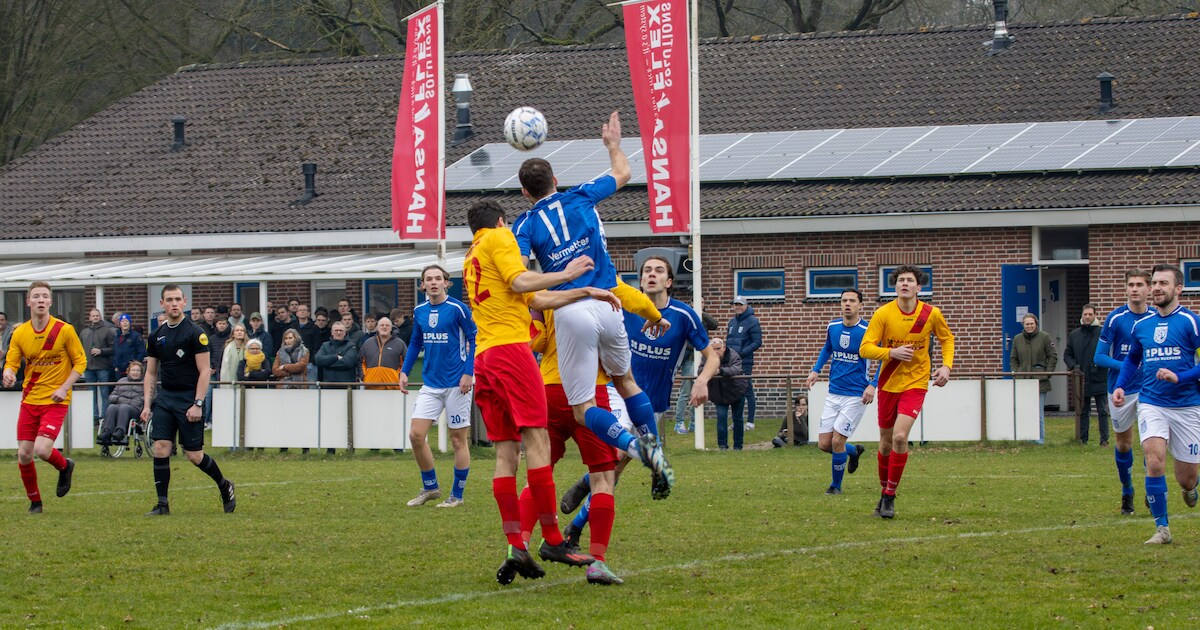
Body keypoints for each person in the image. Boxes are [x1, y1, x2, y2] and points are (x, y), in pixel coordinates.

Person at [465, 199, 642, 584]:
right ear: (499, 221)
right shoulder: (501, 236)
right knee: (547, 448)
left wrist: (583, 291)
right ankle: (555, 538)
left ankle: (517, 543)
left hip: (486, 358)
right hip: (527, 362)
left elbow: (533, 298)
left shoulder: (472, 255)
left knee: (507, 455)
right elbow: (521, 281)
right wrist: (567, 272)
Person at [511, 111, 674, 501]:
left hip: (573, 310)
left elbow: (520, 279)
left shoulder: (524, 226)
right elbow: (623, 174)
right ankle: (652, 442)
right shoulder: (582, 194)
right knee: (627, 381)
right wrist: (613, 145)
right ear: (554, 181)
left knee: (583, 409)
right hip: (611, 303)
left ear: (524, 193)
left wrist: (560, 275)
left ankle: (638, 450)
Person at [558, 256, 717, 524]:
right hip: (618, 392)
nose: (651, 274)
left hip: (652, 403)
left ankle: (576, 524)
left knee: (616, 468)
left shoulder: (684, 315)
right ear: (640, 280)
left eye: (658, 270)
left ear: (669, 281)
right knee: (615, 456)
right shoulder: (622, 306)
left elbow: (712, 356)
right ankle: (588, 497)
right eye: (646, 271)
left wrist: (702, 380)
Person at [1111, 264, 1200, 545]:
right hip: (1152, 402)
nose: (1157, 287)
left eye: (1164, 283)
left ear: (1178, 289)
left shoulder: (1190, 322)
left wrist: (1180, 376)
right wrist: (1121, 385)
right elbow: (1132, 359)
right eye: (1155, 283)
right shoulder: (1142, 325)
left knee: (1186, 479)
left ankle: (1190, 487)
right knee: (1154, 460)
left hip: (1187, 405)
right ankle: (1162, 529)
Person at [859, 265, 954, 519]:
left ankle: (890, 496)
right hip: (888, 383)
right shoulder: (883, 314)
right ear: (895, 286)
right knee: (886, 443)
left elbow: (947, 339)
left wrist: (946, 366)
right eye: (900, 280)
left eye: (909, 280)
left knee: (901, 437)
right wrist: (891, 353)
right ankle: (882, 492)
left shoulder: (931, 313)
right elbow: (865, 348)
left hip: (916, 383)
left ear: (918, 287)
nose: (904, 284)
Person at [141, 284, 235, 516]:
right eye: (168, 300)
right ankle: (162, 504)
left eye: (177, 299)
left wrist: (198, 403)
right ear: (162, 304)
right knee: (161, 448)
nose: (173, 303)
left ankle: (225, 485)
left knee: (194, 455)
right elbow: (151, 373)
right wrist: (146, 404)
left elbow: (205, 371)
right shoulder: (156, 335)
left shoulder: (196, 333)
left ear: (184, 302)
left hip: (188, 399)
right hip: (165, 398)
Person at [3, 282, 86, 513]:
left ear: (50, 302)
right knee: (24, 453)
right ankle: (35, 503)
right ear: (28, 302)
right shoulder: (20, 333)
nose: (40, 300)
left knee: (41, 449)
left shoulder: (64, 330)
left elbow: (81, 362)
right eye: (36, 296)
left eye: (45, 296)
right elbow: (11, 363)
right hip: (30, 399)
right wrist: (8, 374)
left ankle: (64, 466)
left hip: (55, 400)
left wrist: (64, 388)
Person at [400, 265, 478, 508]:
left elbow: (474, 338)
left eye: (438, 278)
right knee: (415, 435)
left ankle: (457, 495)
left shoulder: (458, 309)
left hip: (457, 384)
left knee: (457, 440)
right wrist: (404, 370)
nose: (433, 283)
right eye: (428, 279)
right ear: (422, 285)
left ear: (446, 283)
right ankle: (430, 487)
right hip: (431, 384)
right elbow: (415, 342)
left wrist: (468, 373)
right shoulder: (419, 310)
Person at [805, 288, 876, 495]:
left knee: (837, 441)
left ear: (860, 305)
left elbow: (883, 359)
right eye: (844, 300)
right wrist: (815, 370)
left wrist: (873, 384)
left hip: (856, 394)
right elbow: (828, 348)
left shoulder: (868, 330)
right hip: (834, 392)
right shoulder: (833, 326)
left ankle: (835, 487)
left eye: (852, 301)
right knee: (824, 444)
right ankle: (854, 451)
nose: (847, 304)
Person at [1094, 268, 1152, 516]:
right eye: (1131, 284)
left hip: (1150, 389)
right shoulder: (1116, 319)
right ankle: (1127, 490)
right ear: (1126, 289)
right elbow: (1098, 357)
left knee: (1152, 443)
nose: (1135, 289)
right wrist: (1127, 365)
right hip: (1120, 389)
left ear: (1149, 289)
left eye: (1140, 284)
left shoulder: (1157, 317)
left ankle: (1153, 489)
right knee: (1124, 444)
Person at [1064, 303, 1109, 445]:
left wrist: (1101, 365)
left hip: (1099, 377)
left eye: (1090, 314)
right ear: (1082, 315)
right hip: (1082, 378)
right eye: (1085, 314)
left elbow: (1108, 353)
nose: (1087, 317)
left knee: (1102, 411)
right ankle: (1083, 439)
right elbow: (1067, 355)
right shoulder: (1074, 335)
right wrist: (1074, 367)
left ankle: (1104, 440)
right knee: (1083, 411)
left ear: (1095, 315)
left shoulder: (1103, 333)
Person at [1009, 313, 1057, 444]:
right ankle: (1025, 439)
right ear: (1023, 325)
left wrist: (1047, 373)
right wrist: (1016, 371)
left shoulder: (1045, 337)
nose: (1029, 326)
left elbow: (1052, 356)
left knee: (1038, 413)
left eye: (1031, 323)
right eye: (1026, 324)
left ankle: (1039, 440)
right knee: (1024, 411)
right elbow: (1013, 358)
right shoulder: (1017, 339)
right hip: (1023, 380)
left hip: (1040, 381)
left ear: (1036, 324)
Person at [704, 338, 747, 450]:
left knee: (738, 419)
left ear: (724, 348)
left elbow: (736, 369)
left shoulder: (733, 355)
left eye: (718, 348)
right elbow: (700, 370)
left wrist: (720, 371)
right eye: (714, 349)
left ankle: (738, 446)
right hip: (718, 392)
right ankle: (722, 446)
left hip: (736, 390)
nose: (716, 351)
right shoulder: (707, 356)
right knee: (721, 418)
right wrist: (709, 370)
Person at [727, 295, 762, 430]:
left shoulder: (753, 321)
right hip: (732, 362)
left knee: (747, 390)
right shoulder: (732, 322)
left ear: (746, 306)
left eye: (740, 304)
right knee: (735, 392)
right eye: (735, 304)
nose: (737, 307)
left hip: (745, 362)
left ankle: (750, 422)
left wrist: (741, 353)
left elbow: (757, 342)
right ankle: (737, 421)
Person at [80, 308, 116, 422]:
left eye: (97, 315)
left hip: (103, 367)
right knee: (91, 394)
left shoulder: (108, 331)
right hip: (88, 368)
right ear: (90, 318)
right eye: (93, 316)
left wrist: (101, 351)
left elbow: (114, 348)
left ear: (100, 317)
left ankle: (105, 418)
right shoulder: (84, 332)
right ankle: (94, 418)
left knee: (104, 393)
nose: (95, 317)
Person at [100, 360, 145, 448]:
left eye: (137, 371)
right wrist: (119, 399)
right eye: (133, 370)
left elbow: (152, 396)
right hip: (120, 406)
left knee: (124, 407)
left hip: (135, 409)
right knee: (111, 407)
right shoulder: (121, 381)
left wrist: (137, 400)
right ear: (128, 371)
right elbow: (111, 396)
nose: (135, 372)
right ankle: (106, 432)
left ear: (141, 373)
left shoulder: (145, 382)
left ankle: (120, 432)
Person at [359, 317, 405, 389]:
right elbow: (360, 362)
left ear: (391, 328)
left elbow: (406, 363)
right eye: (382, 325)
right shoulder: (368, 343)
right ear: (377, 327)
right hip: (371, 387)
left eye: (387, 325)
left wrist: (399, 377)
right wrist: (364, 376)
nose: (384, 327)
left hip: (392, 387)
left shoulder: (400, 344)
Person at [295, 304, 319, 383]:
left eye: (304, 310)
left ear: (308, 313)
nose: (302, 312)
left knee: (311, 387)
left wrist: (312, 361)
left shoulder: (314, 328)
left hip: (310, 364)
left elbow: (316, 346)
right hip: (294, 363)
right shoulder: (292, 327)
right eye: (300, 310)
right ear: (297, 313)